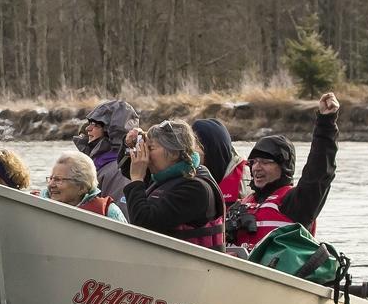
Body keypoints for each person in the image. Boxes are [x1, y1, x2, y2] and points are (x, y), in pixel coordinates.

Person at [229, 92, 341, 250]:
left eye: (265, 162)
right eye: (254, 162)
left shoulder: (297, 203)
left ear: (284, 167)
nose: (257, 168)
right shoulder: (241, 205)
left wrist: (326, 122)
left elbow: (319, 172)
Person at [122, 120, 225, 248]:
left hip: (189, 260)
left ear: (174, 153)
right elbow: (127, 168)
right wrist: (129, 143)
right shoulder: (171, 175)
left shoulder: (195, 189)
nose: (146, 155)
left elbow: (143, 225)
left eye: (150, 148)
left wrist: (137, 178)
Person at [74, 100, 139, 203]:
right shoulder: (96, 163)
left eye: (95, 125)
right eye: (89, 123)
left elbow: (121, 211)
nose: (88, 128)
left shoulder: (120, 171)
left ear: (111, 132)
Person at [44, 151, 127, 221]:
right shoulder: (39, 204)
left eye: (58, 180)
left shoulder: (109, 212)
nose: (51, 184)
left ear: (82, 188)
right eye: (51, 179)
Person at [192, 118, 246, 210]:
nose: (191, 150)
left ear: (211, 147)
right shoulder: (190, 173)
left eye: (195, 144)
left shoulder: (246, 177)